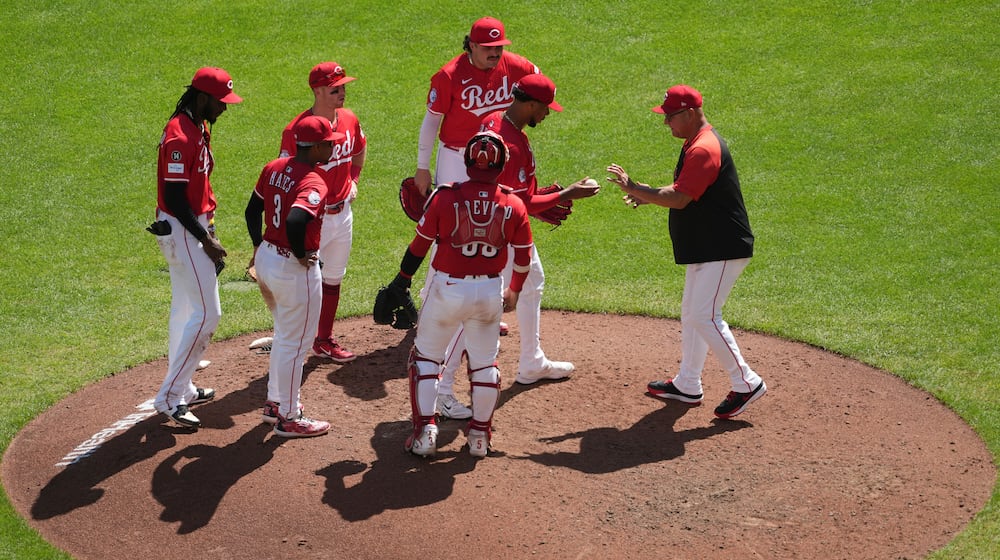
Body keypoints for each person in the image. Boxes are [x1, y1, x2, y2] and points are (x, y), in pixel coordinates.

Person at [436, 73, 600, 405]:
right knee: (478, 305)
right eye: (545, 108)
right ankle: (443, 386)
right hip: (497, 232)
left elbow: (517, 195)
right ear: (530, 104)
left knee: (532, 281)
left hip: (492, 222)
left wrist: (541, 201)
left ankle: (532, 360)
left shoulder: (495, 121)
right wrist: (568, 193)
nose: (548, 114)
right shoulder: (508, 144)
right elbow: (519, 203)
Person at [606, 84, 766, 419]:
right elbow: (681, 191)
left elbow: (679, 198)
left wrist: (636, 188)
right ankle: (688, 383)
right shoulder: (694, 142)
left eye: (670, 116)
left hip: (722, 247)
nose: (666, 123)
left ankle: (746, 382)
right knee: (692, 313)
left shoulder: (704, 148)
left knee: (703, 315)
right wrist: (646, 194)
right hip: (706, 246)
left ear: (690, 113)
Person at [414, 16, 541, 419]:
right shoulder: (449, 75)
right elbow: (432, 121)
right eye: (488, 48)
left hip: (497, 158)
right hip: (456, 157)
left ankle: (523, 347)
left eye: (500, 47)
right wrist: (423, 167)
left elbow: (539, 87)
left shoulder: (515, 66)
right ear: (469, 44)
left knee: (496, 233)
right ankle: (436, 301)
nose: (495, 53)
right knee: (451, 233)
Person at [388, 131, 534, 458]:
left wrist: (402, 279)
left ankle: (425, 433)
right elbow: (523, 258)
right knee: (484, 365)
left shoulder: (444, 198)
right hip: (489, 291)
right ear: (502, 165)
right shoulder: (513, 205)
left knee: (425, 358)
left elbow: (419, 247)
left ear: (467, 163)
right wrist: (514, 292)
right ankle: (480, 437)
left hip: (447, 289)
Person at [150, 67, 241, 429]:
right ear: (203, 97)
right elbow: (175, 196)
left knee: (186, 306)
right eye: (221, 102)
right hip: (183, 229)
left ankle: (183, 387)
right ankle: (170, 397)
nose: (224, 109)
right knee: (207, 314)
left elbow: (200, 188)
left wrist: (210, 228)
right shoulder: (180, 136)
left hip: (194, 225)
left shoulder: (198, 125)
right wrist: (206, 240)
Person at [245, 115, 344, 438]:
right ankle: (289, 416)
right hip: (292, 268)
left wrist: (260, 247)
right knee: (297, 341)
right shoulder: (314, 181)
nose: (332, 146)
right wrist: (302, 255)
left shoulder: (274, 167)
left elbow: (251, 210)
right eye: (328, 143)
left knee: (286, 335)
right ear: (314, 147)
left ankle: (275, 403)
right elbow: (297, 220)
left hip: (268, 259)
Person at [270, 61, 366, 363]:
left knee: (334, 277)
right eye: (336, 88)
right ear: (318, 91)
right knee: (301, 279)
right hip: (313, 218)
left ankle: (323, 340)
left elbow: (360, 149)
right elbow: (287, 173)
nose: (342, 92)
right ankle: (291, 336)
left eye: (344, 87)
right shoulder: (296, 130)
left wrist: (353, 180)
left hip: (343, 213)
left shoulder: (350, 120)